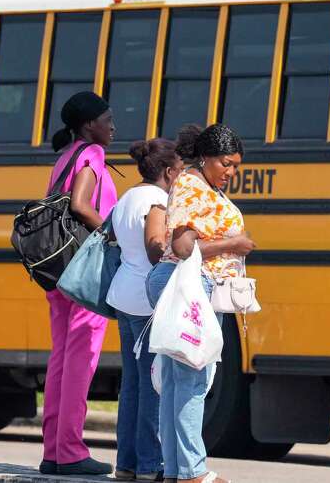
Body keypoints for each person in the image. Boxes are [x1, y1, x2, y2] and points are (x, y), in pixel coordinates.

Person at [146, 124, 254, 483]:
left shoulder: (202, 185)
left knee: (177, 384)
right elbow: (181, 248)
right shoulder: (193, 186)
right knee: (193, 382)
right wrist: (232, 245)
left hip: (192, 286)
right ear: (206, 157)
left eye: (236, 166)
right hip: (194, 286)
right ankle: (192, 471)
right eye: (226, 163)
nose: (231, 172)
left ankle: (176, 469)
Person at [40, 91, 117, 476]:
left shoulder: (63, 156)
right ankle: (70, 450)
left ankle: (54, 450)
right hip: (84, 272)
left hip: (58, 271)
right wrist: (115, 234)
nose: (112, 126)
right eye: (107, 119)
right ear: (89, 125)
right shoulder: (91, 154)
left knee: (62, 357)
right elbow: (81, 205)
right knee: (82, 358)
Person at [106, 139, 185, 481]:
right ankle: (150, 464)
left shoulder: (127, 197)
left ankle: (126, 463)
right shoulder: (156, 201)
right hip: (145, 302)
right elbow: (156, 252)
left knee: (133, 385)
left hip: (123, 295)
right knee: (153, 384)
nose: (183, 177)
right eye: (181, 171)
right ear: (169, 172)